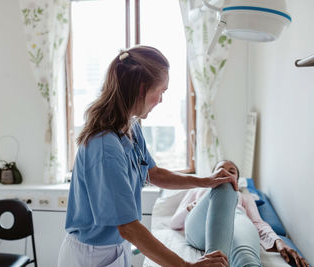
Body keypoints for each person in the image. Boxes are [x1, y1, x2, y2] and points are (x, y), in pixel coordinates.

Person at [57, 45, 239, 267]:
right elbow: (129, 227)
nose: (161, 99)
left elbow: (154, 173)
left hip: (115, 248)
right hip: (90, 256)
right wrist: (187, 266)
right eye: (161, 91)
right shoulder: (105, 147)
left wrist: (206, 181)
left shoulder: (131, 128)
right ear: (142, 89)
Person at [170, 160, 310, 267]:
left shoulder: (244, 197)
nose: (225, 174)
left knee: (246, 258)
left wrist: (278, 241)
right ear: (211, 175)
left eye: (231, 172)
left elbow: (257, 223)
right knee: (223, 185)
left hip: (236, 220)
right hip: (200, 226)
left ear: (237, 180)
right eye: (220, 170)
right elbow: (174, 223)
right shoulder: (197, 191)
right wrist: (191, 208)